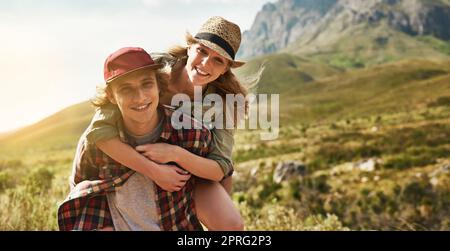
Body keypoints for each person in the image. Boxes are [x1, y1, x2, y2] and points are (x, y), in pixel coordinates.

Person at [87, 16, 252, 230]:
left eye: (217, 60)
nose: (205, 64)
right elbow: (99, 130)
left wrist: (174, 154)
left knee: (230, 225)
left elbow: (219, 168)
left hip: (193, 167)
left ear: (225, 69)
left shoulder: (224, 103)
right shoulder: (152, 67)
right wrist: (153, 170)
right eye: (202, 51)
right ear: (190, 47)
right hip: (137, 152)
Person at [57, 47, 212, 231]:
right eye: (126, 89)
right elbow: (79, 190)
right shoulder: (94, 143)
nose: (139, 98)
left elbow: (211, 185)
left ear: (158, 84)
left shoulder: (191, 134)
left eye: (146, 84)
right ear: (111, 97)